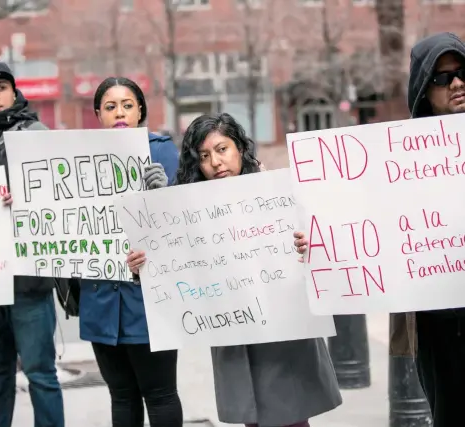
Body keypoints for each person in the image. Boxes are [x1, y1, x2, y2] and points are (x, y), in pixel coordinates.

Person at [293, 32, 465, 427]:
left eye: (462, 73)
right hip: (438, 320)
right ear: (424, 88)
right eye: (442, 78)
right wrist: (318, 240)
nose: (456, 84)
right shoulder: (397, 156)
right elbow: (356, 220)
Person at [127, 112, 342, 427]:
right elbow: (176, 266)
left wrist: (306, 244)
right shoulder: (189, 209)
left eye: (222, 149)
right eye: (204, 156)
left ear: (240, 148)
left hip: (281, 331)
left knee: (291, 415)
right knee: (252, 416)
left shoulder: (274, 192)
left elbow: (317, 244)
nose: (215, 162)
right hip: (234, 330)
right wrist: (142, 261)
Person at [79, 77, 182, 427]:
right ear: (98, 115)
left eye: (127, 104)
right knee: (121, 395)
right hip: (100, 298)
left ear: (140, 111)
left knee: (160, 393)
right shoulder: (78, 157)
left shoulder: (163, 151)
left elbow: (187, 224)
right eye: (110, 106)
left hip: (150, 298)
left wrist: (165, 193)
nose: (119, 112)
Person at [0, 61, 64, 427]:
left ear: (13, 92)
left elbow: (60, 197)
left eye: (1, 87)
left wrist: (26, 198)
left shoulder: (35, 133)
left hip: (28, 280)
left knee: (40, 374)